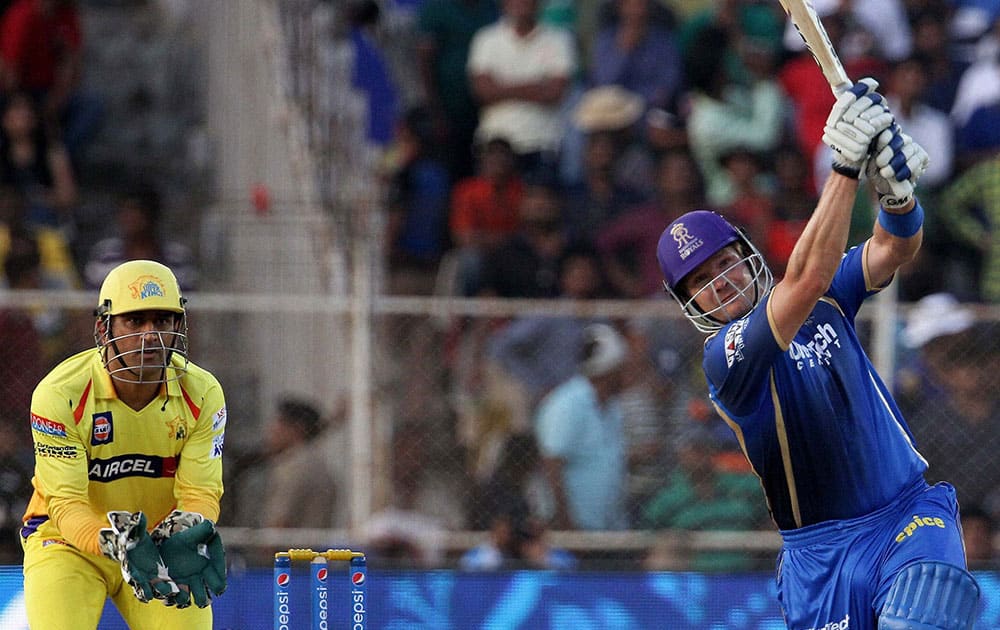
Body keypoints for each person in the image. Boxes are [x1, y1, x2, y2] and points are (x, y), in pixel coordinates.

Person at [655, 79, 980, 628]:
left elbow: (893, 248)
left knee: (923, 612)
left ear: (747, 254)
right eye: (700, 282)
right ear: (689, 304)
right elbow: (804, 279)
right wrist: (846, 168)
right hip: (819, 558)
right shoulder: (724, 359)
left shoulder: (827, 298)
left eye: (723, 263)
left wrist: (899, 199)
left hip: (904, 516)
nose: (721, 283)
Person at [20, 259, 227, 627]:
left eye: (162, 321)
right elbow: (67, 505)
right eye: (135, 321)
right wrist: (118, 544)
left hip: (155, 548)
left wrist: (188, 531)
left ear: (178, 324)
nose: (150, 335)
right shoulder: (60, 395)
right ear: (103, 328)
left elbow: (201, 493)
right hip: (68, 544)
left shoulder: (203, 393)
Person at [534, 322, 628, 530]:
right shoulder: (567, 403)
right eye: (619, 368)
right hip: (574, 527)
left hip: (607, 529)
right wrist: (566, 524)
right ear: (608, 369)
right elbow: (552, 463)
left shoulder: (612, 407)